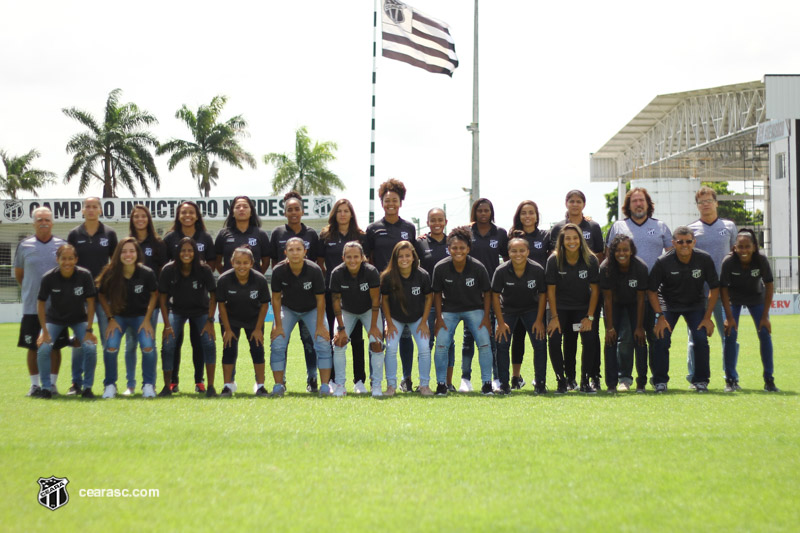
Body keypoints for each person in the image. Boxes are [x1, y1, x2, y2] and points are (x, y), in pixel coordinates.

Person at [605, 187, 672, 390]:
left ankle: (657, 378)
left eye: (641, 200)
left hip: (654, 292)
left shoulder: (660, 226)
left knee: (655, 337)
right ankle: (625, 378)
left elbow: (670, 257)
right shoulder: (618, 226)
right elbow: (609, 257)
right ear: (628, 205)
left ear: (648, 203)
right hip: (624, 293)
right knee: (625, 337)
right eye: (634, 201)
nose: (638, 204)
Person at [648, 226, 719, 393]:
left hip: (695, 305)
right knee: (661, 337)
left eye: (688, 241)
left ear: (694, 242)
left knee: (700, 338)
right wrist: (659, 317)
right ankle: (660, 381)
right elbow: (651, 290)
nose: (684, 245)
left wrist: (707, 317)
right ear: (673, 243)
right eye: (680, 242)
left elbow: (715, 288)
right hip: (669, 305)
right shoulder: (663, 261)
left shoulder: (704, 259)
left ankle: (701, 380)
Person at [549, 190, 604, 390]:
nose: (571, 242)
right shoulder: (553, 260)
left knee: (589, 339)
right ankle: (564, 380)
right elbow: (551, 290)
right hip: (561, 309)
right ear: (561, 241)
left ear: (580, 239)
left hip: (583, 309)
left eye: (575, 238)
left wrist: (589, 317)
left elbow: (595, 290)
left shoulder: (590, 259)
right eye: (567, 239)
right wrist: (554, 317)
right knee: (557, 339)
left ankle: (586, 380)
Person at [366, 179, 417, 391]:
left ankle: (406, 379)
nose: (391, 204)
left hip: (404, 289)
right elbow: (367, 259)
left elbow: (414, 255)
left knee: (405, 335)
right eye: (387, 200)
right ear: (382, 202)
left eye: (395, 200)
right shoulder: (373, 229)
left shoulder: (409, 228)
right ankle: (376, 379)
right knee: (378, 334)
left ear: (401, 202)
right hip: (380, 290)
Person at [431, 226, 493, 396]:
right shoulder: (440, 267)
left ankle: (487, 383)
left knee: (484, 343)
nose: (458, 251)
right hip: (449, 311)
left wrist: (486, 317)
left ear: (468, 249)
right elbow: (436, 294)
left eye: (462, 248)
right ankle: (441, 384)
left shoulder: (478, 267)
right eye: (454, 248)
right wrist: (438, 317)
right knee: (442, 344)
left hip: (474, 309)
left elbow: (487, 293)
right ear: (448, 249)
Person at [163, 201, 217, 393]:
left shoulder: (205, 237)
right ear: (178, 215)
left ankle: (199, 381)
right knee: (173, 342)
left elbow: (211, 263)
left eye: (191, 212)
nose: (187, 215)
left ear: (197, 215)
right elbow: (165, 264)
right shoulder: (170, 237)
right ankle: (173, 382)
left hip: (199, 302)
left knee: (199, 342)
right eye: (183, 212)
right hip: (176, 303)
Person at [270, 191, 321, 393]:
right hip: (287, 300)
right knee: (282, 341)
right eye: (289, 209)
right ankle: (280, 381)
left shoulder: (311, 234)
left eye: (296, 209)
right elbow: (275, 264)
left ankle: (312, 379)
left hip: (309, 300)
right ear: (285, 212)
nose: (293, 212)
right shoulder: (277, 233)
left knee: (310, 342)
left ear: (302, 211)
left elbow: (317, 262)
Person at [15, 206, 70, 396]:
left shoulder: (61, 245)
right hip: (32, 307)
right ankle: (35, 385)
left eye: (47, 219)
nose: (44, 223)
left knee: (55, 346)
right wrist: (33, 292)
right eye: (40, 220)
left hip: (57, 308)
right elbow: (20, 275)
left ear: (52, 222)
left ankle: (53, 384)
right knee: (32, 347)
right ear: (33, 223)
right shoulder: (24, 246)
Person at [687, 186, 737, 388]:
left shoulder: (729, 226)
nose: (705, 205)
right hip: (699, 293)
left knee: (729, 335)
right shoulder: (691, 229)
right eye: (701, 202)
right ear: (697, 206)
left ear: (716, 203)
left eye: (708, 201)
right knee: (696, 337)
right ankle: (695, 378)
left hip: (725, 292)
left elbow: (734, 253)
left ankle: (731, 378)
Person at [269, 237, 333, 397]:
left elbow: (320, 299)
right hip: (288, 308)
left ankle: (325, 386)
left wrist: (320, 325)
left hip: (312, 309)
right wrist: (277, 324)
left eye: (298, 249)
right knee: (277, 343)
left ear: (305, 252)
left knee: (323, 342)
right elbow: (276, 298)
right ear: (285, 253)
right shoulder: (278, 270)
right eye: (291, 250)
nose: (295, 253)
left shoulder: (314, 270)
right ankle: (278, 385)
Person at [66, 196, 117, 395]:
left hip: (104, 296)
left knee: (108, 341)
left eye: (94, 206)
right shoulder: (74, 234)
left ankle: (110, 383)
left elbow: (115, 264)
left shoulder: (110, 234)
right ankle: (76, 383)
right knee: (80, 341)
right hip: (80, 297)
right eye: (87, 206)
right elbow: (68, 264)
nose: (91, 209)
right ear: (82, 210)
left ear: (100, 210)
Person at [97, 238, 159, 399]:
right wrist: (110, 317)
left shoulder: (146, 273)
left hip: (140, 317)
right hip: (118, 317)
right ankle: (110, 385)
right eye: (124, 251)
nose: (128, 254)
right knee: (110, 346)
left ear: (137, 253)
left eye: (131, 251)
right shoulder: (110, 272)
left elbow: (154, 295)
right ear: (118, 254)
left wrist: (147, 319)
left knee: (147, 346)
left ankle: (148, 385)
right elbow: (101, 294)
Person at [319, 198, 369, 393]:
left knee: (356, 338)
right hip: (333, 293)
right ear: (334, 214)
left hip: (356, 293)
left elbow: (366, 261)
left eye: (346, 211)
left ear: (351, 214)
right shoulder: (325, 235)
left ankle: (359, 381)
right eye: (339, 211)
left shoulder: (360, 236)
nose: (342, 214)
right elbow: (320, 262)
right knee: (336, 336)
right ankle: (333, 379)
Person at [35, 245, 97, 399]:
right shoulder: (49, 277)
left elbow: (91, 303)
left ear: (76, 259)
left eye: (71, 258)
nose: (67, 262)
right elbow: (41, 303)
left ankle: (87, 388)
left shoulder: (85, 275)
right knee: (43, 348)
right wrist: (44, 331)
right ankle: (46, 388)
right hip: (54, 320)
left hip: (79, 320)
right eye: (63, 258)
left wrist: (89, 330)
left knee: (90, 348)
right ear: (57, 259)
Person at [720, 229, 778, 392]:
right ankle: (730, 380)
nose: (744, 250)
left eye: (747, 246)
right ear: (735, 248)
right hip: (734, 298)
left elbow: (769, 285)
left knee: (765, 334)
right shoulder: (728, 262)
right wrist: (729, 317)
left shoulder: (761, 261)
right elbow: (723, 289)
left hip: (756, 298)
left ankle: (769, 379)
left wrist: (765, 316)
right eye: (740, 247)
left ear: (754, 247)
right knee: (730, 334)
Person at [461, 198, 508, 393]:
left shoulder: (500, 233)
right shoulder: (466, 231)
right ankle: (465, 378)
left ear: (491, 212)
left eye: (486, 210)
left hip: (493, 291)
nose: (483, 213)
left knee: (492, 335)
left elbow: (507, 258)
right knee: (468, 337)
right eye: (479, 210)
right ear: (474, 212)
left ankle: (496, 378)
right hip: (469, 291)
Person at [491, 237, 547, 395]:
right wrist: (500, 323)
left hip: (531, 309)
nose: (518, 254)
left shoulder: (537, 269)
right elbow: (495, 295)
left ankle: (540, 384)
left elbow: (543, 295)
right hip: (507, 310)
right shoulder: (501, 270)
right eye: (514, 251)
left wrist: (539, 320)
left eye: (522, 250)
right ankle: (504, 385)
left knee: (540, 342)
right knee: (501, 344)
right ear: (508, 253)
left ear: (528, 252)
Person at [124, 205, 168, 396]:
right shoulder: (127, 243)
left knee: (148, 344)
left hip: (150, 303)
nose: (140, 219)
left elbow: (163, 272)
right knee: (131, 344)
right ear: (132, 220)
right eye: (136, 216)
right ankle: (130, 385)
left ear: (148, 219)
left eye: (143, 216)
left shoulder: (158, 243)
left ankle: (149, 384)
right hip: (128, 305)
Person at [330, 242, 384, 397]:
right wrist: (341, 329)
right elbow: (335, 302)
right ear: (343, 257)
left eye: (356, 256)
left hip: (369, 310)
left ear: (362, 257)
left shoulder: (371, 271)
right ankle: (340, 385)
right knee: (339, 343)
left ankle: (377, 385)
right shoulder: (337, 273)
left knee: (377, 343)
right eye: (348, 257)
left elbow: (375, 301)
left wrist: (374, 326)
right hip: (346, 310)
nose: (352, 260)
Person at [216, 247, 271, 397]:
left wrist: (258, 328)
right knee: (229, 350)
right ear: (232, 262)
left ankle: (260, 386)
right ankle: (227, 386)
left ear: (252, 263)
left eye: (246, 262)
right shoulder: (224, 280)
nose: (242, 266)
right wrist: (227, 329)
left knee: (258, 350)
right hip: (231, 320)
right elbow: (221, 304)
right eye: (238, 262)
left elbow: (265, 304)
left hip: (254, 320)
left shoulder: (259, 280)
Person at [508, 200, 551, 389]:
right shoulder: (512, 236)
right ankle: (515, 377)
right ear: (519, 216)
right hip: (515, 296)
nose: (528, 216)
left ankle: (538, 378)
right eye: (524, 213)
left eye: (531, 212)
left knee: (539, 338)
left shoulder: (545, 236)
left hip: (538, 296)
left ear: (537, 215)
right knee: (517, 338)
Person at [381, 241, 434, 396]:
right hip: (395, 319)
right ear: (395, 258)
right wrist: (389, 323)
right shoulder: (388, 277)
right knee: (390, 348)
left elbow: (429, 298)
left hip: (417, 318)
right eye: (400, 256)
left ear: (413, 257)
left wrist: (424, 322)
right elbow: (384, 300)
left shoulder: (422, 275)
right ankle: (391, 386)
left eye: (407, 256)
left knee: (424, 348)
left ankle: (424, 385)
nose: (404, 259)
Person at [600, 235, 648, 393]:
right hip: (614, 304)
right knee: (611, 340)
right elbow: (607, 299)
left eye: (625, 250)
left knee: (639, 339)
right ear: (612, 252)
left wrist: (639, 327)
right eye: (618, 250)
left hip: (635, 304)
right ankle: (611, 384)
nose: (622, 253)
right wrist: (609, 327)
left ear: (631, 251)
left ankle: (641, 383)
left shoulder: (640, 267)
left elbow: (641, 299)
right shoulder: (606, 268)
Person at [415, 207, 455, 391]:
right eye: (433, 220)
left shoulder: (453, 242)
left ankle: (448, 382)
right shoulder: (420, 243)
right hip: (426, 301)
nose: (437, 223)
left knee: (448, 342)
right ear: (427, 222)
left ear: (446, 222)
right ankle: (426, 383)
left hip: (449, 301)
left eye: (440, 220)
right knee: (426, 342)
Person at [215, 195, 271, 274]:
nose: (241, 209)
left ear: (251, 212)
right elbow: (217, 262)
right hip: (229, 284)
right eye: (237, 207)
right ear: (232, 213)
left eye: (245, 207)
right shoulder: (223, 234)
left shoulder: (261, 234)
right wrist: (226, 276)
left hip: (254, 284)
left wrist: (257, 276)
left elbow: (266, 262)